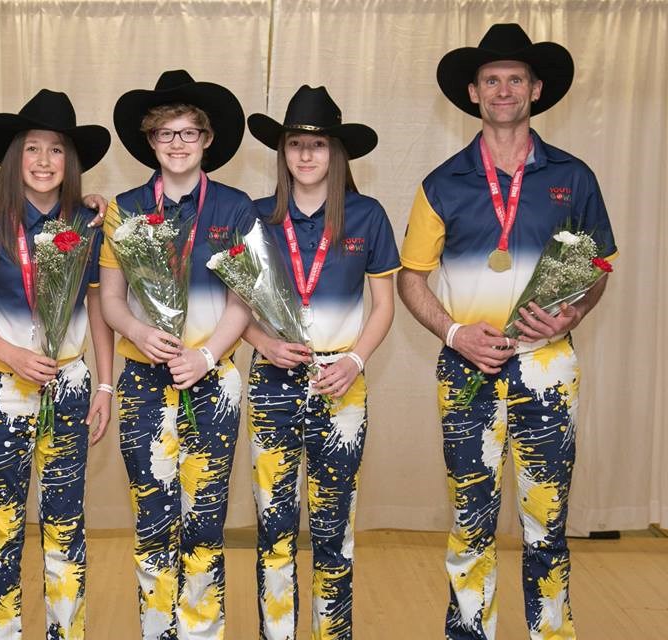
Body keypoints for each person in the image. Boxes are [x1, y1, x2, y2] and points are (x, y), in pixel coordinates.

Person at [397, 24, 617, 639]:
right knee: (472, 520)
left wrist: (575, 313)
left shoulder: (573, 177)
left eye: (515, 79)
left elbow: (598, 268)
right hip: (467, 367)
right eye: (491, 80)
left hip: (548, 366)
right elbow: (412, 279)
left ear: (536, 89)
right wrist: (453, 333)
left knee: (547, 522)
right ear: (473, 92)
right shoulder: (440, 183)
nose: (503, 90)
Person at [99, 70, 255, 640]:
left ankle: (201, 632)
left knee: (206, 522)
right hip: (143, 383)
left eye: (190, 133)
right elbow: (111, 301)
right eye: (166, 134)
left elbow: (245, 302)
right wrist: (138, 334)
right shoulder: (124, 208)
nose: (178, 144)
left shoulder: (237, 208)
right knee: (152, 520)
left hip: (212, 383)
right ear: (150, 141)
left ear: (208, 139)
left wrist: (208, 356)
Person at [0, 89, 115, 640]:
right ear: (13, 158)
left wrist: (104, 384)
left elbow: (99, 308)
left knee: (66, 524)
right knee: (1, 526)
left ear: (70, 162)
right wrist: (13, 356)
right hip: (4, 388)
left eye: (56, 150)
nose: (44, 161)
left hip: (70, 386)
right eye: (32, 149)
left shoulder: (88, 223)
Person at [244, 85, 399, 639]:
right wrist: (263, 344)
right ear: (282, 153)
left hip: (342, 386)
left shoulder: (367, 215)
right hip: (271, 387)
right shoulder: (256, 217)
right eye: (294, 144)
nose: (305, 155)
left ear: (337, 153)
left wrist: (355, 360)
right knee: (274, 528)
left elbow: (384, 306)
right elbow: (234, 306)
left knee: (335, 531)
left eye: (317, 144)